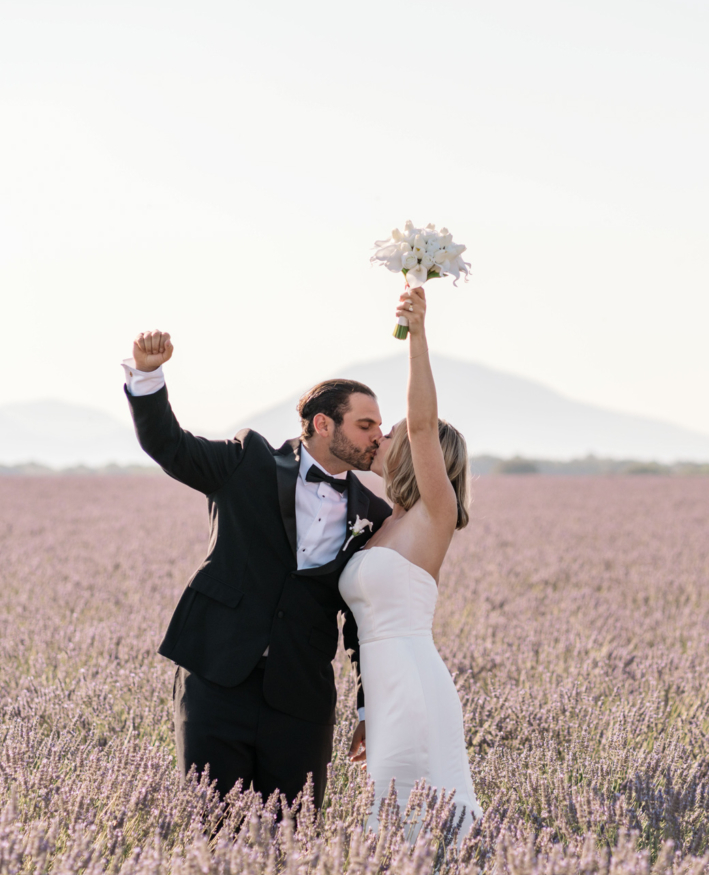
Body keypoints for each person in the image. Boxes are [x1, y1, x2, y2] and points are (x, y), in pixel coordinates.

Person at [123, 337, 392, 809]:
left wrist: (370, 709)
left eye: (380, 427)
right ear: (323, 424)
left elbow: (364, 624)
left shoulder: (374, 512)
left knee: (292, 839)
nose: (378, 437)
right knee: (212, 829)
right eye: (366, 424)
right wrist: (148, 376)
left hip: (300, 698)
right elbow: (172, 447)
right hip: (216, 678)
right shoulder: (248, 461)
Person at [340, 285, 482, 837]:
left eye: (390, 433)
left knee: (418, 825)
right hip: (386, 689)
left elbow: (422, 423)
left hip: (416, 687)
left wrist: (417, 334)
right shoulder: (385, 524)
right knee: (394, 825)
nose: (381, 437)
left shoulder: (434, 515)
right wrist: (364, 712)